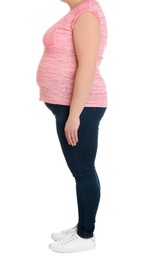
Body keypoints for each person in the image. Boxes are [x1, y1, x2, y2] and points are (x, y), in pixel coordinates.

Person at [36, 0, 108, 253]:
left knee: (83, 171)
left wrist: (75, 114)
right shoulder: (78, 13)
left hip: (81, 108)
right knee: (82, 170)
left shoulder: (87, 13)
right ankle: (82, 226)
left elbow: (87, 67)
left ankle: (86, 236)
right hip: (70, 107)